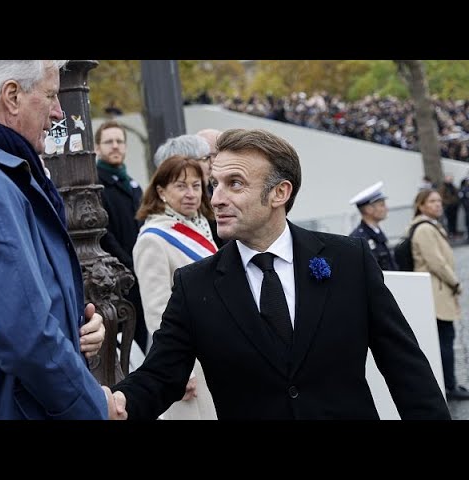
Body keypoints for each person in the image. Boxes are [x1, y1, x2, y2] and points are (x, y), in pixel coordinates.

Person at [108, 128, 450, 420]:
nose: (216, 199)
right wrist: (118, 403)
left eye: (235, 184)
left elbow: (407, 369)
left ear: (280, 193)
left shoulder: (348, 260)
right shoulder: (194, 284)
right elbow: (160, 375)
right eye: (215, 184)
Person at [0, 61, 110, 420]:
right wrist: (94, 406)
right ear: (12, 96)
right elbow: (27, 338)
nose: (59, 113)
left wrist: (77, 328)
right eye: (50, 96)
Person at [133, 155, 217, 419]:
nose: (191, 193)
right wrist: (180, 370)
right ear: (161, 191)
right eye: (181, 186)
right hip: (188, 361)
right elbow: (157, 312)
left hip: (216, 353)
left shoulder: (201, 226)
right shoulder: (153, 239)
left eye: (196, 185)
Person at [410, 188, 469, 400]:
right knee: (444, 340)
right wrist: (455, 282)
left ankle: (450, 382)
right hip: (436, 292)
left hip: (438, 291)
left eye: (439, 201)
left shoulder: (430, 226)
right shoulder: (424, 229)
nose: (438, 204)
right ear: (421, 206)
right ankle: (448, 385)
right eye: (432, 201)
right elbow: (436, 262)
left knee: (446, 338)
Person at [95, 119, 148, 353]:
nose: (115, 146)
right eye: (109, 142)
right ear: (97, 148)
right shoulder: (95, 185)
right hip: (119, 280)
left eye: (119, 141)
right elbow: (104, 233)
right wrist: (128, 262)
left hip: (141, 274)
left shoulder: (134, 185)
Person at [153, 134, 225, 248]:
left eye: (195, 186)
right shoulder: (157, 233)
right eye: (205, 158)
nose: (211, 165)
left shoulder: (202, 215)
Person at [348, 181, 399, 271]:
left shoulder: (377, 232)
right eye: (382, 205)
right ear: (369, 209)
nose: (386, 208)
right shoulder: (358, 238)